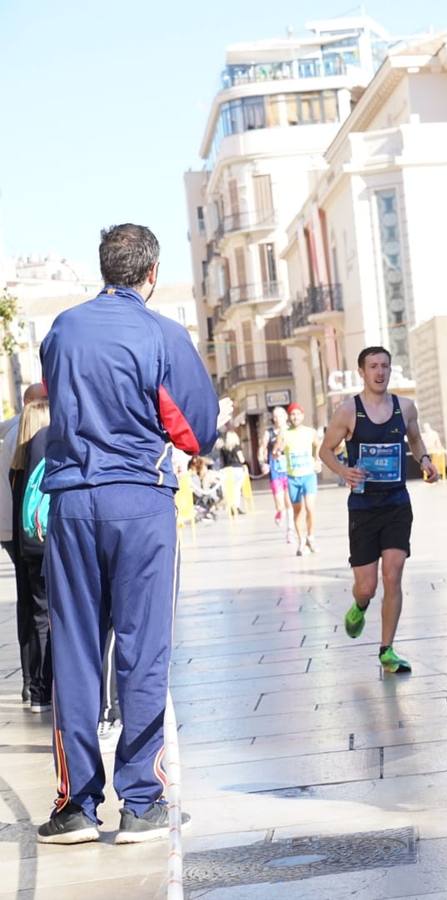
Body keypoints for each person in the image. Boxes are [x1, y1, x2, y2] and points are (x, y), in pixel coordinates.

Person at [37, 223, 222, 844]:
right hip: (139, 502)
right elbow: (196, 429)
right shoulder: (163, 334)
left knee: (75, 652)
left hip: (72, 502)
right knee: (144, 652)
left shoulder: (62, 329)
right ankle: (141, 801)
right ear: (150, 274)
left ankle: (75, 806)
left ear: (103, 269)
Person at [320, 346, 440, 675]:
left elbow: (415, 441)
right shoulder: (348, 411)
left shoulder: (405, 407)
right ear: (362, 372)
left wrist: (426, 461)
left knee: (393, 575)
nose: (380, 372)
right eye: (373, 366)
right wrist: (344, 471)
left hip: (397, 503)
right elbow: (325, 450)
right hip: (363, 506)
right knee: (367, 586)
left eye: (385, 366)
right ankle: (359, 606)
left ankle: (387, 650)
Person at [2, 382, 47, 706]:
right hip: (37, 535)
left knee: (28, 608)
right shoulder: (43, 434)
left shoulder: (10, 436)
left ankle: (32, 684)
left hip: (14, 533)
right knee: (44, 610)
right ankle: (42, 682)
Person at [10, 398, 51, 713]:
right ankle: (48, 685)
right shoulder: (47, 449)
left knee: (34, 616)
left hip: (25, 545)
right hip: (46, 541)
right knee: (53, 617)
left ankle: (34, 689)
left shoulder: (17, 464)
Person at [282, 403, 322, 555]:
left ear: (302, 416)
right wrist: (277, 451)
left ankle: (311, 537)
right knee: (298, 511)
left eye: (298, 414)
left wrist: (317, 460)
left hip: (308, 475)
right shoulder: (285, 434)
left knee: (310, 508)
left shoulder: (310, 432)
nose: (295, 417)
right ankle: (301, 541)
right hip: (293, 477)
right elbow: (276, 450)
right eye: (292, 414)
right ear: (289, 417)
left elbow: (318, 445)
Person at [260, 406, 293, 541]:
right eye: (274, 416)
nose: (276, 419)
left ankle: (290, 531)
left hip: (290, 471)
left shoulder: (291, 431)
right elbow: (262, 448)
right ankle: (279, 512)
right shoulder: (269, 433)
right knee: (280, 505)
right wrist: (263, 463)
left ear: (285, 416)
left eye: (279, 415)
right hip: (275, 471)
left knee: (289, 502)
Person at [220, 429, 248, 515]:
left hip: (226, 470)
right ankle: (236, 506)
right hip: (237, 469)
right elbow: (241, 459)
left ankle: (230, 506)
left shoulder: (223, 448)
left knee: (228, 489)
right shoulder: (237, 447)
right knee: (237, 489)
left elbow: (222, 461)